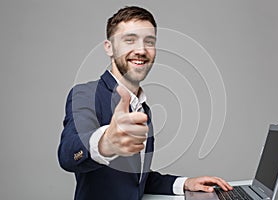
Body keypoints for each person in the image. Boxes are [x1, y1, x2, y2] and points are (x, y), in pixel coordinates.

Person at [58, 6, 232, 200]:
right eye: (129, 40)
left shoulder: (142, 107)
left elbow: (134, 181)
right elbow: (68, 154)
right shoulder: (85, 93)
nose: (141, 50)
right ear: (109, 47)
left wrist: (185, 183)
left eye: (149, 42)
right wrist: (106, 142)